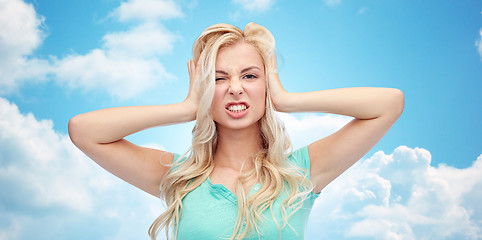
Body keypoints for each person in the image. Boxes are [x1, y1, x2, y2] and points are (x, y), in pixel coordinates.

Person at [68, 22, 404, 240]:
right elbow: (83, 130)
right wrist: (186, 108)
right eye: (218, 78)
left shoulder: (300, 173)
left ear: (266, 84)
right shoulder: (181, 177)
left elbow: (389, 103)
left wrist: (285, 99)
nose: (235, 89)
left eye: (249, 76)